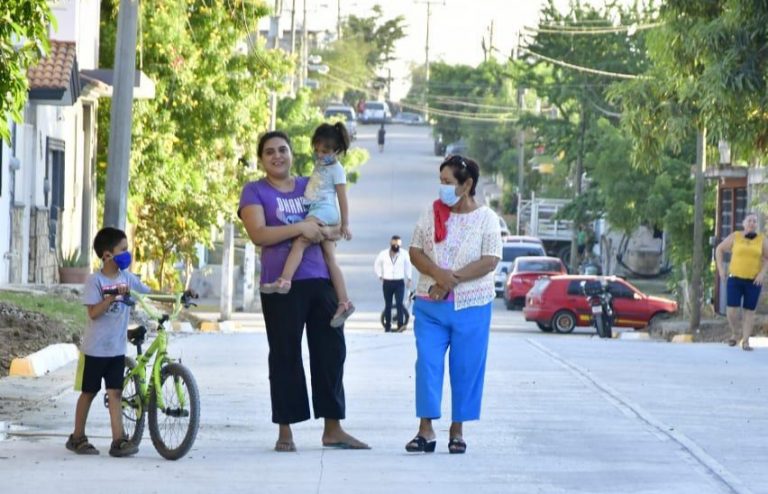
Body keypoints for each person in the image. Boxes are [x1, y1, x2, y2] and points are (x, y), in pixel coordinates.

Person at [238, 130, 369, 452]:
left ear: (293, 153)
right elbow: (259, 234)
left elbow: (335, 223)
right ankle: (285, 431)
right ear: (261, 158)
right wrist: (300, 228)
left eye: (283, 149)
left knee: (331, 353)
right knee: (285, 356)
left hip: (320, 279)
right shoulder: (255, 191)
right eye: (270, 152)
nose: (277, 156)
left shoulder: (309, 184)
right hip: (280, 286)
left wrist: (327, 231)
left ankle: (333, 429)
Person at [404, 154, 501, 455]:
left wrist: (448, 280)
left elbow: (490, 260)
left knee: (466, 367)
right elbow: (416, 251)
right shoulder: (430, 213)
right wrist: (436, 274)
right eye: (441, 181)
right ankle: (425, 430)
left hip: (472, 306)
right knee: (428, 365)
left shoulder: (487, 219)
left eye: (448, 183)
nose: (442, 188)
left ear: (467, 184)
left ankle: (457, 430)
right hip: (430, 305)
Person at [259, 122, 355, 327]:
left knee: (300, 242)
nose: (320, 155)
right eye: (317, 150)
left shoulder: (337, 169)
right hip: (319, 210)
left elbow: (342, 197)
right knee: (331, 259)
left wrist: (345, 223)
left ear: (337, 150)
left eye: (325, 151)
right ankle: (344, 302)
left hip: (323, 210)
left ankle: (284, 280)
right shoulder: (322, 166)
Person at [66, 227, 151, 457]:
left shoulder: (127, 278)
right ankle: (77, 437)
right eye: (122, 250)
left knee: (115, 394)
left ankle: (118, 440)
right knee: (89, 393)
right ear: (106, 255)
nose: (127, 253)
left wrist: (180, 294)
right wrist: (112, 297)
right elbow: (93, 313)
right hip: (95, 351)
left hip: (116, 350)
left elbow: (148, 292)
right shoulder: (95, 281)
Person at [715, 213, 768, 351]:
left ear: (757, 225)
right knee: (732, 310)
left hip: (753, 281)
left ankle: (745, 341)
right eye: (749, 220)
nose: (752, 223)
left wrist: (762, 274)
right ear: (744, 223)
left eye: (754, 221)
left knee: (749, 311)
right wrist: (721, 269)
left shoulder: (762, 239)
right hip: (735, 278)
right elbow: (719, 249)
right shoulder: (736, 236)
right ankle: (735, 332)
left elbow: (767, 258)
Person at [374, 235, 413, 332]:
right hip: (387, 281)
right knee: (388, 304)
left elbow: (408, 265)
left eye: (397, 244)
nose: (396, 246)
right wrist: (380, 275)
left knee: (399, 303)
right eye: (394, 244)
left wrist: (409, 278)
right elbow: (377, 264)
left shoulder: (404, 254)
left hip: (399, 282)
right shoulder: (383, 254)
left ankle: (400, 325)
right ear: (390, 244)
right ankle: (387, 326)